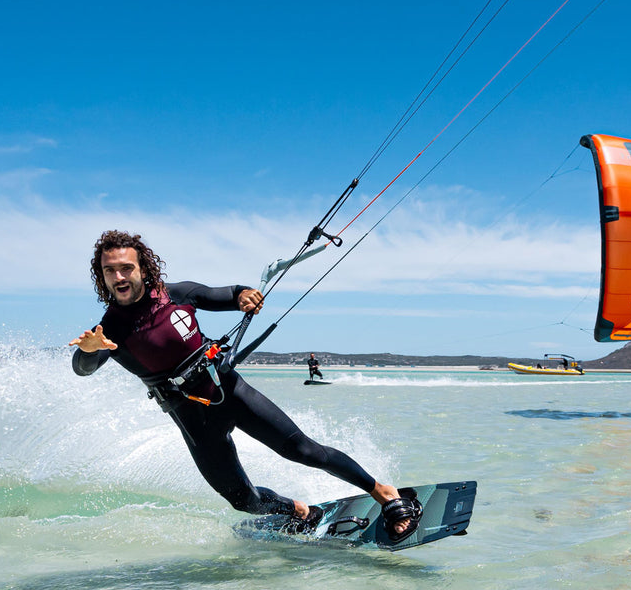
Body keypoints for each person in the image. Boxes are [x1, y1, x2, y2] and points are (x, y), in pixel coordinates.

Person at [69, 230, 421, 540]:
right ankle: (299, 511)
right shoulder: (109, 330)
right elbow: (83, 368)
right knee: (243, 501)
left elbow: (223, 294)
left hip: (230, 391)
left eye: (126, 267)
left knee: (304, 451)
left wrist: (244, 296)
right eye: (109, 270)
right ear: (102, 276)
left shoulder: (174, 295)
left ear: (142, 268)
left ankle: (384, 493)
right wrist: (88, 351)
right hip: (192, 419)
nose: (118, 276)